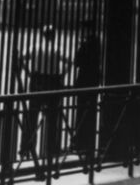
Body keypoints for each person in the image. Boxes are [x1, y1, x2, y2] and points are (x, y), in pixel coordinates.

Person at [16, 23, 69, 158]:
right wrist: (62, 74)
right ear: (54, 36)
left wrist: (29, 73)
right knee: (52, 118)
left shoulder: (34, 47)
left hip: (37, 81)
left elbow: (21, 58)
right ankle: (51, 149)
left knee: (32, 116)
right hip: (52, 82)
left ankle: (26, 147)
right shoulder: (58, 49)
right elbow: (69, 61)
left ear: (43, 35)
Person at [71, 21, 101, 154]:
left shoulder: (86, 44)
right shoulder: (97, 42)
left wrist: (79, 46)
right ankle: (88, 142)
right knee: (90, 112)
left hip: (84, 81)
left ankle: (80, 143)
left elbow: (77, 61)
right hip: (94, 80)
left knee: (81, 111)